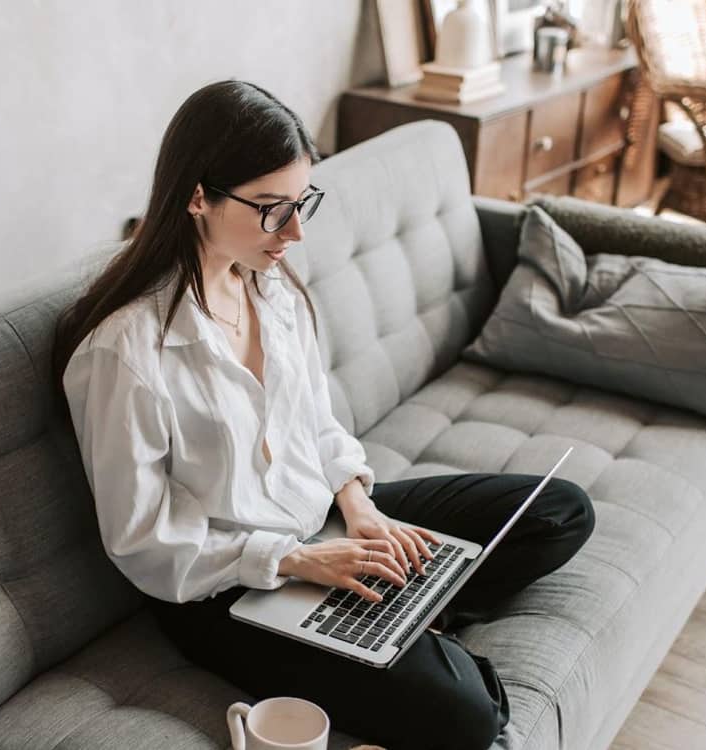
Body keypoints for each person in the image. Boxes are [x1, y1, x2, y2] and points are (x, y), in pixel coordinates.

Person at [53, 79, 595, 750]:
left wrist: (361, 505)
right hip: (227, 590)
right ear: (198, 196)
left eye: (302, 201)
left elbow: (317, 424)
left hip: (328, 523)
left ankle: (409, 614)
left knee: (559, 511)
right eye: (274, 209)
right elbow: (144, 541)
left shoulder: (270, 286)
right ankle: (412, 627)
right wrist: (298, 562)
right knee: (469, 717)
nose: (297, 231)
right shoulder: (125, 352)